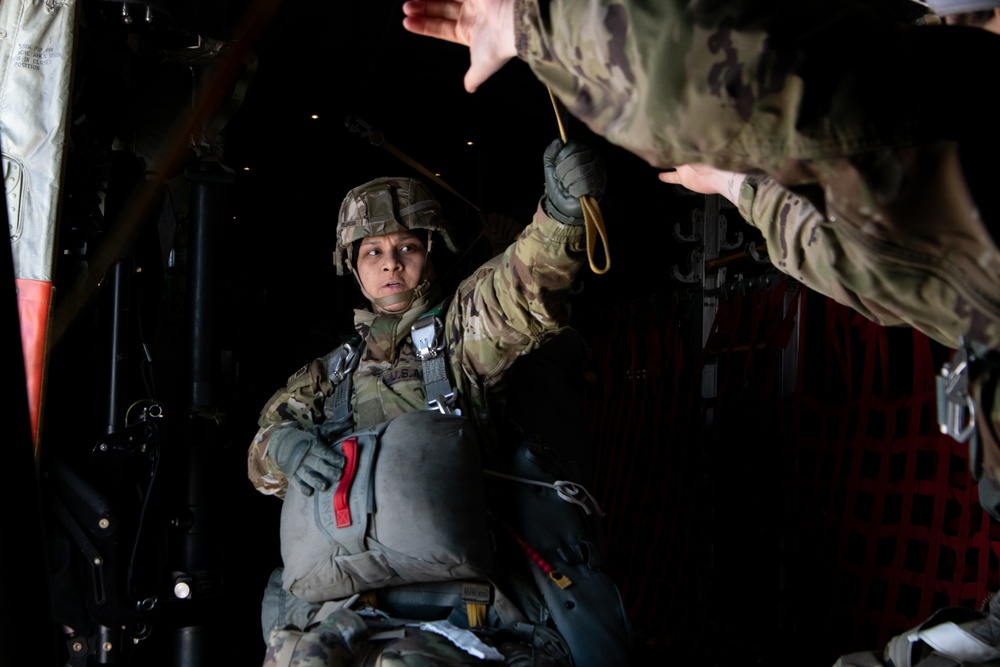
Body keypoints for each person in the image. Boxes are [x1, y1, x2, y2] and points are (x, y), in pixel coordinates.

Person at [247, 139, 633, 666]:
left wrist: (561, 216)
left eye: (407, 248)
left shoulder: (460, 333)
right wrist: (282, 448)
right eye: (373, 252)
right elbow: (262, 456)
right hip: (348, 598)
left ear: (430, 251)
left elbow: (518, 290)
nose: (391, 266)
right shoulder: (327, 375)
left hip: (464, 600)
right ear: (353, 267)